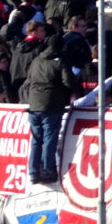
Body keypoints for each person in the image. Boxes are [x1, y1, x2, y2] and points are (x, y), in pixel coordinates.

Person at [23, 35, 77, 184]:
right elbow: (68, 81)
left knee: (36, 139)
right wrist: (77, 91)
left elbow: (29, 79)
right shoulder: (60, 60)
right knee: (49, 139)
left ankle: (33, 172)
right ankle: (48, 171)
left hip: (34, 104)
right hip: (51, 104)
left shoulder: (37, 60)